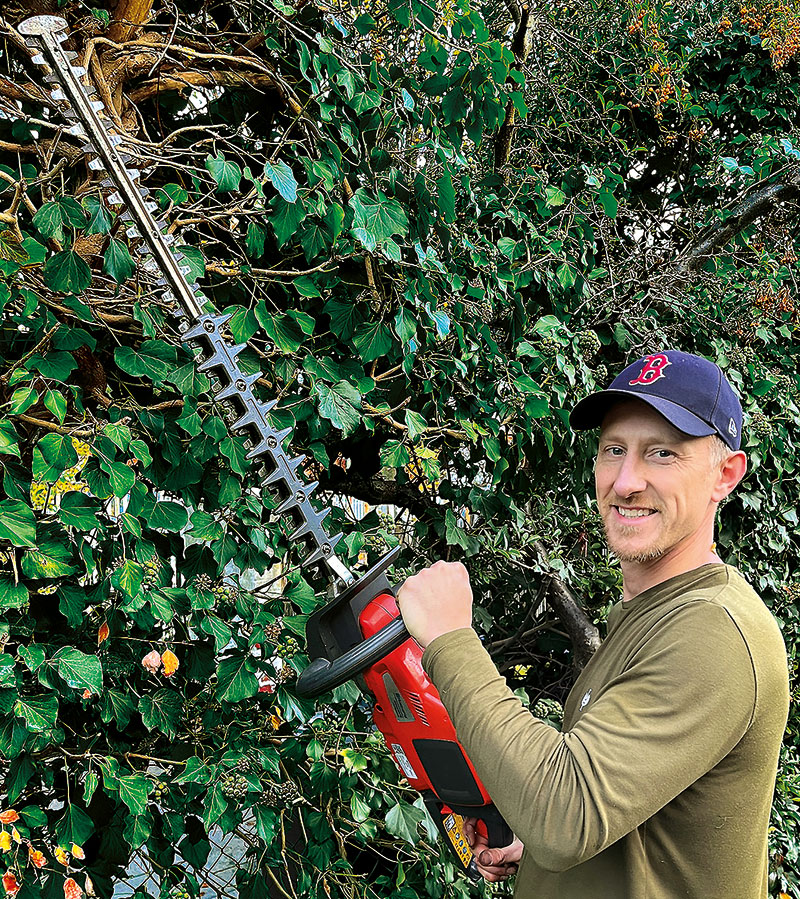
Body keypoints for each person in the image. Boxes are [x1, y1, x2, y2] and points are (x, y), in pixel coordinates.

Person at [395, 350, 789, 899]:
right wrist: (536, 850)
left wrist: (450, 640)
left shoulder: (715, 632)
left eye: (662, 454)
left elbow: (565, 816)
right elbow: (612, 800)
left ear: (725, 474)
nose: (626, 481)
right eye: (613, 450)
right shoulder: (651, 611)